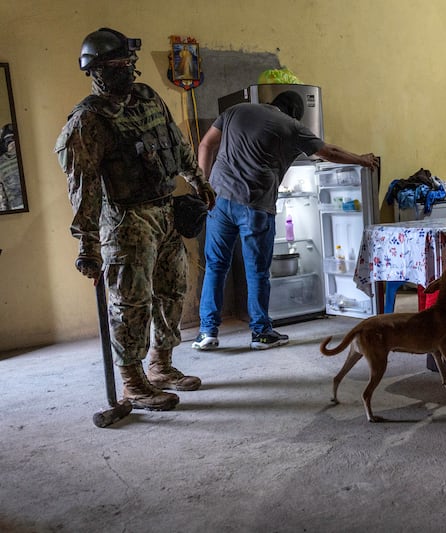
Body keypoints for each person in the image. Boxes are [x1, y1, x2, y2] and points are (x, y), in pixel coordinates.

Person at [54, 28, 216, 411]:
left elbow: (175, 145)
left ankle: (161, 365)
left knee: (174, 291)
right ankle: (133, 382)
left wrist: (199, 182)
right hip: (125, 221)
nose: (125, 71)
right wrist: (88, 246)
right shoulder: (87, 121)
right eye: (115, 66)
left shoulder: (147, 97)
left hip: (163, 211)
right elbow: (84, 188)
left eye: (128, 64)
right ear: (95, 71)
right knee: (131, 303)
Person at [193, 93, 378, 351]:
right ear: (293, 112)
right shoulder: (291, 126)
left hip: (219, 200)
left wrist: (204, 186)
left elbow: (205, 145)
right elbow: (329, 152)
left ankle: (207, 333)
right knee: (256, 271)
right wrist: (362, 160)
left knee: (215, 265)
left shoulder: (236, 110)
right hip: (255, 205)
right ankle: (261, 333)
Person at [0, 124, 24, 210]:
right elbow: (2, 194)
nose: (12, 144)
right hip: (15, 207)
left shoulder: (26, 156)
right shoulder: (1, 163)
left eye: (13, 140)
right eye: (8, 141)